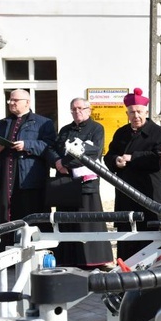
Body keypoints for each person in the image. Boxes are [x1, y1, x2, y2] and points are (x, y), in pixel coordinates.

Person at [0, 89, 56, 251]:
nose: (11, 103)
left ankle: (36, 253)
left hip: (30, 179)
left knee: (31, 216)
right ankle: (5, 253)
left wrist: (27, 145)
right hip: (5, 178)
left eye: (16, 100)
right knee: (5, 216)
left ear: (27, 102)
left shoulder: (43, 122)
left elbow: (50, 146)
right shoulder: (1, 123)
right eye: (10, 100)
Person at [104, 88, 161, 262]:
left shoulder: (158, 133)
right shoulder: (121, 133)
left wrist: (133, 158)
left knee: (150, 234)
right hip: (125, 192)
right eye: (132, 112)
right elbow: (109, 155)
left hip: (148, 192)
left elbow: (159, 159)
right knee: (126, 234)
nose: (136, 116)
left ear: (146, 112)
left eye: (139, 112)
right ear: (127, 113)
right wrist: (116, 160)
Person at [48, 97, 113, 268]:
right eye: (74, 109)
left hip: (86, 183)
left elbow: (93, 152)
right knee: (66, 220)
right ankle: (68, 259)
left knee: (88, 221)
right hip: (65, 182)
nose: (77, 112)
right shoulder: (64, 130)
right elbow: (53, 149)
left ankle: (93, 260)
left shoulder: (96, 128)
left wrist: (65, 163)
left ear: (89, 110)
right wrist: (56, 162)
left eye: (81, 108)